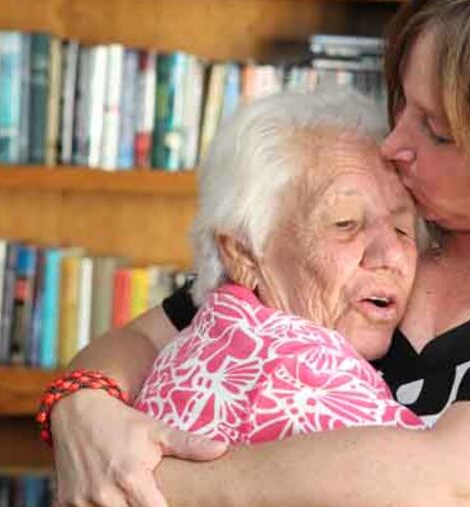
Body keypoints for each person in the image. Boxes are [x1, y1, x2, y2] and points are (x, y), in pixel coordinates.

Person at [49, 1, 470, 506]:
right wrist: (86, 410)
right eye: (402, 107)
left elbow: (460, 482)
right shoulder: (401, 222)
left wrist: (163, 486)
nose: (393, 145)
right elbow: (149, 335)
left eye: (436, 128)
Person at [132, 89, 425, 443]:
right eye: (345, 223)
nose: (391, 254)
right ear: (243, 253)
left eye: (402, 228)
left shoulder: (212, 335)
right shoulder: (307, 382)